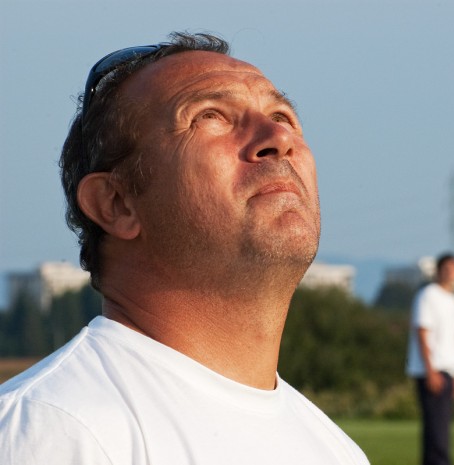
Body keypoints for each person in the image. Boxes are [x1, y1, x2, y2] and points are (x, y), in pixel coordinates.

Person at [0, 32, 368, 465]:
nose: (278, 138)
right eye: (210, 116)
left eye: (282, 116)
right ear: (116, 204)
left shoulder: (336, 451)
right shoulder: (53, 431)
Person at [406, 253, 454, 465]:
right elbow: (423, 332)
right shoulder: (428, 295)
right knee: (435, 432)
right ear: (438, 271)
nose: (450, 273)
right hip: (431, 371)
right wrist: (429, 370)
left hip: (449, 371)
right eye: (446, 268)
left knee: (443, 429)